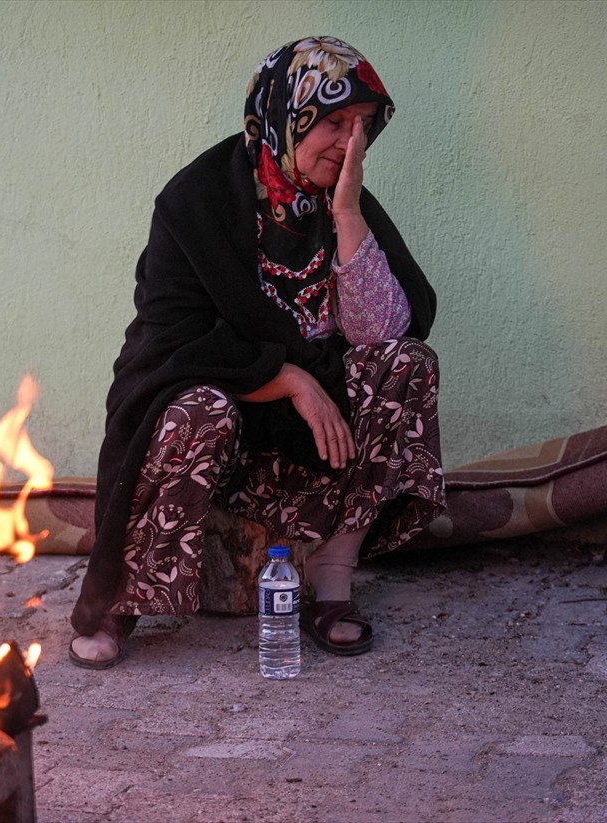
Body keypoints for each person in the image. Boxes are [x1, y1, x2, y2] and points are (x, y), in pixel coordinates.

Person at [69, 36, 445, 669]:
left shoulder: (342, 200)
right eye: (333, 123)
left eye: (362, 127)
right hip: (227, 424)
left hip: (312, 445)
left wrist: (348, 213)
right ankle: (122, 603)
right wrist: (287, 376)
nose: (350, 144)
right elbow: (174, 338)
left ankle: (331, 585)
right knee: (196, 408)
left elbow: (385, 335)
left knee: (406, 367)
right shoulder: (197, 202)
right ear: (285, 113)